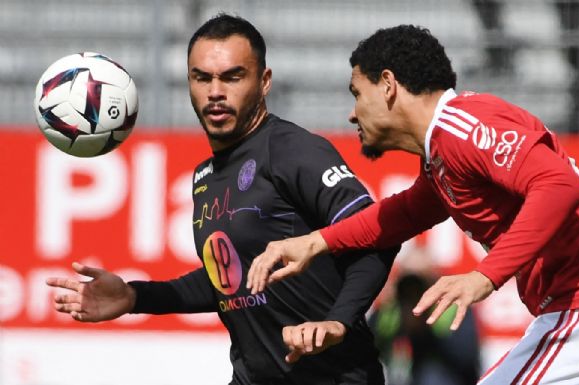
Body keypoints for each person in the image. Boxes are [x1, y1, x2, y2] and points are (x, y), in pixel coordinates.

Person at [247, 25, 579, 384]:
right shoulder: (441, 156)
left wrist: (483, 277)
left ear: (389, 85)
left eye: (357, 93)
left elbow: (559, 185)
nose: (352, 114)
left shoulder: (462, 125)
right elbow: (405, 213)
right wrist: (316, 242)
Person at [46, 13, 398, 385]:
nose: (215, 91)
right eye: (202, 78)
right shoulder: (204, 177)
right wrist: (135, 296)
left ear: (264, 82)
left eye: (232, 77)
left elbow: (376, 234)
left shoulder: (293, 150)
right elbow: (229, 279)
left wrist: (338, 321)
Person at [369, 272, 481, 385]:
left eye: (418, 294)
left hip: (447, 377)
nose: (413, 303)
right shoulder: (387, 315)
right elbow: (367, 350)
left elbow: (467, 358)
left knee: (431, 373)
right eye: (406, 297)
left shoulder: (452, 310)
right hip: (401, 374)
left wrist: (426, 331)